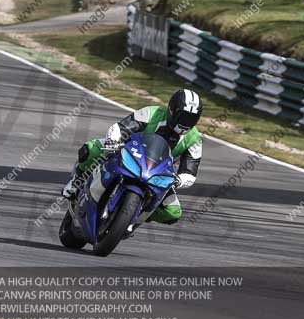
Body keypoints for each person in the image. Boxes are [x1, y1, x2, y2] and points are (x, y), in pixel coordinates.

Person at [61, 89, 204, 226]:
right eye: (183, 116)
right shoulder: (151, 113)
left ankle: (135, 215)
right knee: (91, 149)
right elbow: (121, 127)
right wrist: (113, 141)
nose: (186, 122)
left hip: (159, 173)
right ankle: (77, 181)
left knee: (173, 212)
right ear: (172, 109)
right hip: (129, 152)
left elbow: (190, 172)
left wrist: (179, 180)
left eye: (191, 118)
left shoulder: (195, 139)